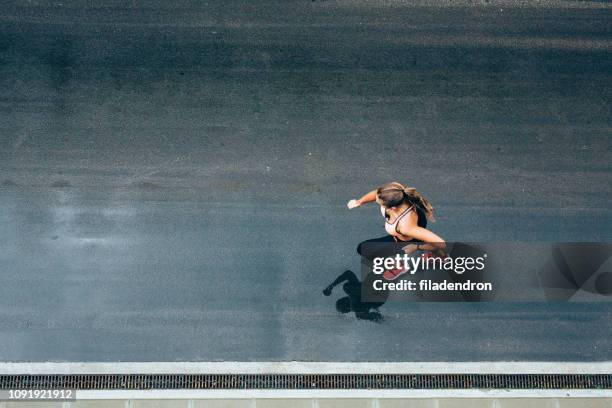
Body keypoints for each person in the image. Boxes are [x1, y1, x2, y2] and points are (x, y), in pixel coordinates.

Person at [348, 181, 446, 280]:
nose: (377, 201)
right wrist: (359, 201)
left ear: (393, 208)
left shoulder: (406, 227)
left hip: (405, 240)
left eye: (380, 203)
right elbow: (377, 194)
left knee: (363, 248)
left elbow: (441, 243)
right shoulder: (397, 192)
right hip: (412, 226)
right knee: (424, 240)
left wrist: (416, 247)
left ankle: (400, 265)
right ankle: (439, 256)